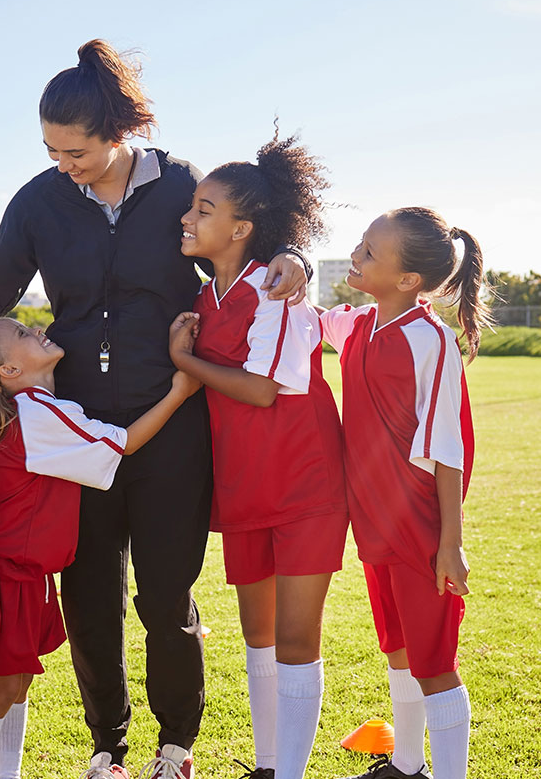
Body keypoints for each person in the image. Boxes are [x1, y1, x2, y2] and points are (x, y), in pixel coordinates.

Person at [0, 39, 312, 779]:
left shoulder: (179, 183)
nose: (65, 164)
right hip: (73, 436)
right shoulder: (40, 201)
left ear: (116, 133)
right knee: (89, 597)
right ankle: (105, 748)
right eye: (53, 150)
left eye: (76, 150)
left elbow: (244, 245)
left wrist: (300, 262)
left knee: (165, 596)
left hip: (172, 427)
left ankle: (175, 747)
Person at [167, 133, 348, 779]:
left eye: (204, 209)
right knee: (259, 639)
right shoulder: (201, 301)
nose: (188, 219)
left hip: (304, 486)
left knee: (298, 642)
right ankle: (269, 767)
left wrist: (186, 362)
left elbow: (263, 390)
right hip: (245, 490)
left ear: (243, 228)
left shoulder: (276, 290)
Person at [0, 317, 202, 779]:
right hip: (16, 572)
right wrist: (179, 393)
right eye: (25, 336)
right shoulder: (40, 411)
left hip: (27, 572)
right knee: (5, 685)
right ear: (8, 371)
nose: (37, 329)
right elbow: (123, 444)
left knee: (19, 683)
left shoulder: (33, 407)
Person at [318, 208, 490, 779]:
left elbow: (448, 446)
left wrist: (450, 542)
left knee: (435, 662)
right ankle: (407, 765)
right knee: (396, 647)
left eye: (369, 251)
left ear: (409, 280)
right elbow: (312, 320)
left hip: (419, 524)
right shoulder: (358, 324)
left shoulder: (431, 338)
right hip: (371, 520)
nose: (355, 255)